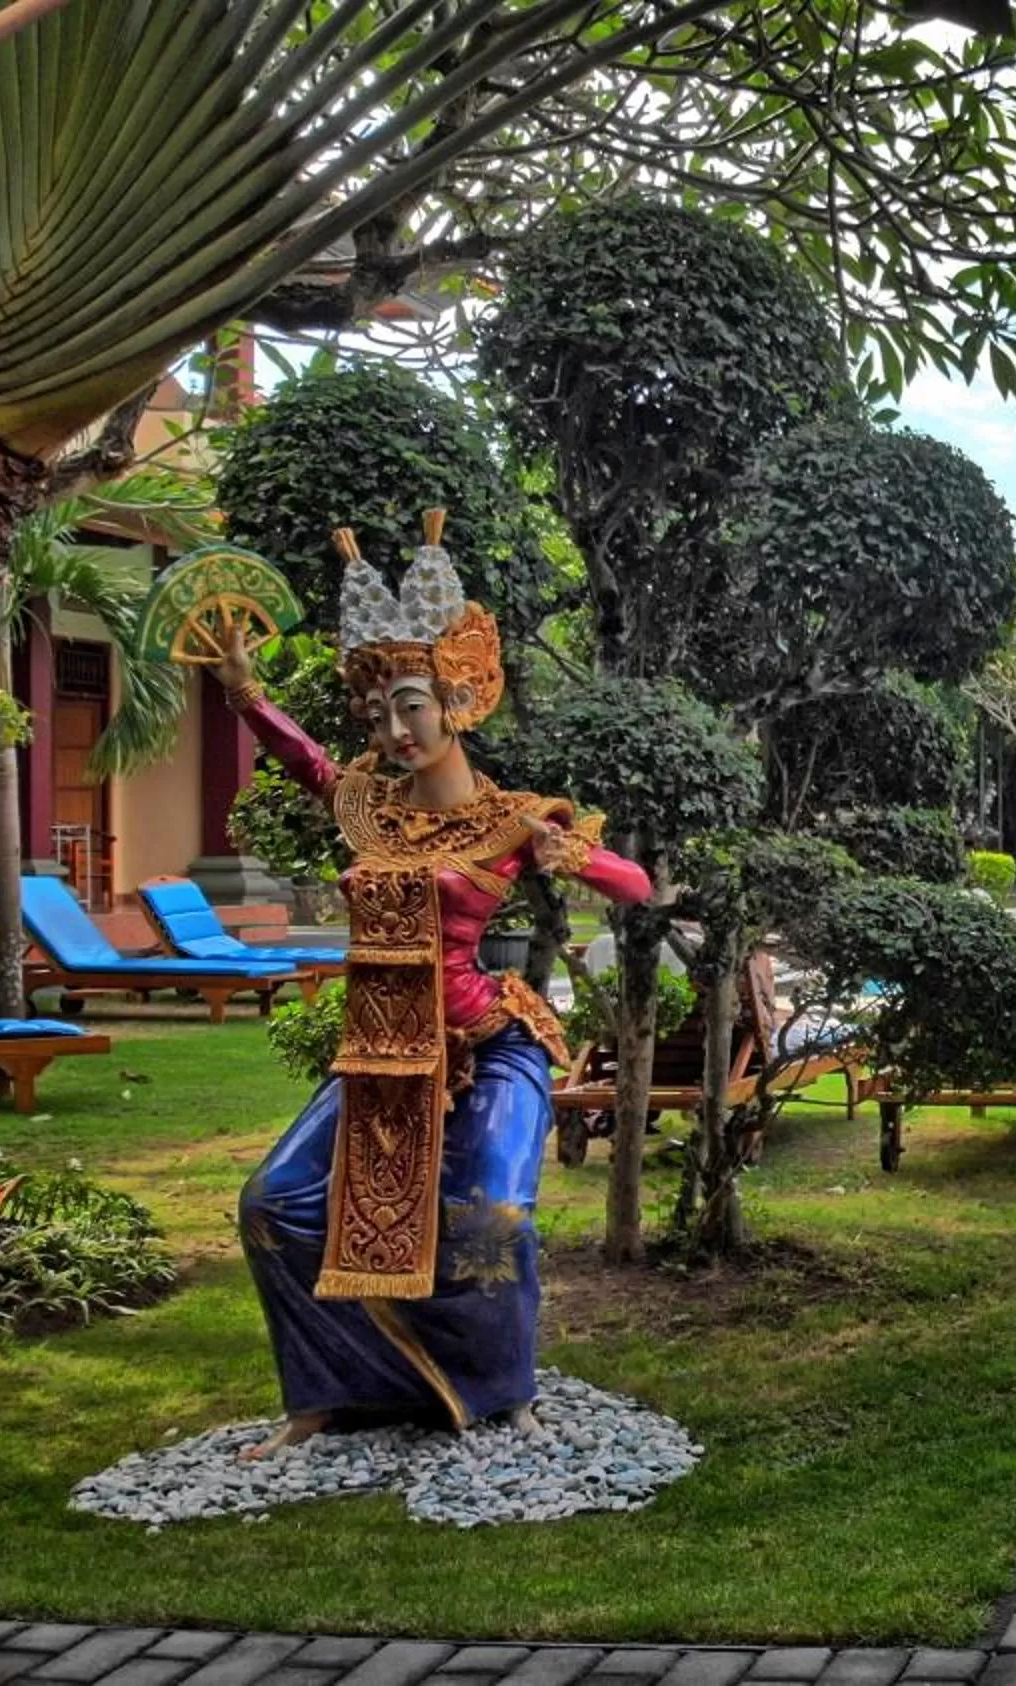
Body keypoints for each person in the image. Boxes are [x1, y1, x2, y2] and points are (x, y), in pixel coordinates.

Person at [213, 513, 652, 1457]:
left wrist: (568, 853)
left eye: (409, 705)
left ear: (455, 700)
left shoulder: (509, 818)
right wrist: (247, 694)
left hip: (490, 1045)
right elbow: (307, 763)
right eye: (376, 715)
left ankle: (501, 1391)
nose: (393, 729)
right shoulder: (368, 809)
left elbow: (635, 885)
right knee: (272, 1204)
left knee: (490, 1213)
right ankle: (342, 1390)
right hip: (380, 1050)